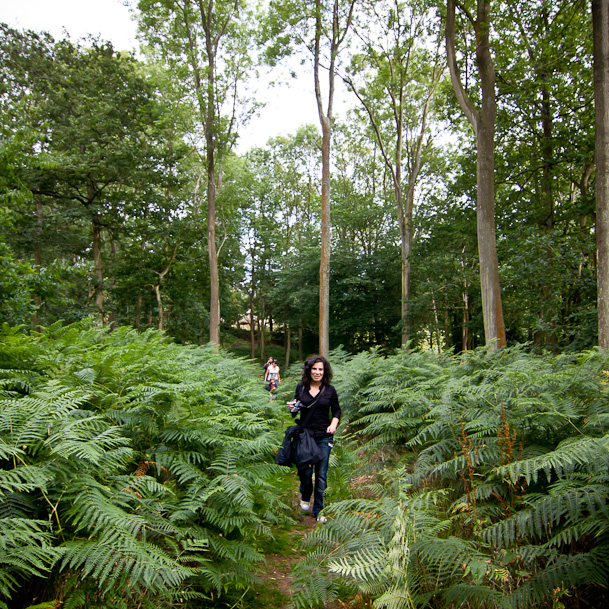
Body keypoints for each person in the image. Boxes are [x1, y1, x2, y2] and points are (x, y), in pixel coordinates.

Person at [289, 355, 340, 523]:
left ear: (324, 372)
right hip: (305, 436)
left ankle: (319, 510)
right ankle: (305, 493)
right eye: (314, 369)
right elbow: (295, 412)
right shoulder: (301, 388)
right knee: (305, 471)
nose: (317, 372)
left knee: (321, 474)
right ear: (309, 370)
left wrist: (333, 424)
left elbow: (337, 411)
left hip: (324, 436)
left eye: (320, 369)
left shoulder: (330, 390)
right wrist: (292, 407)